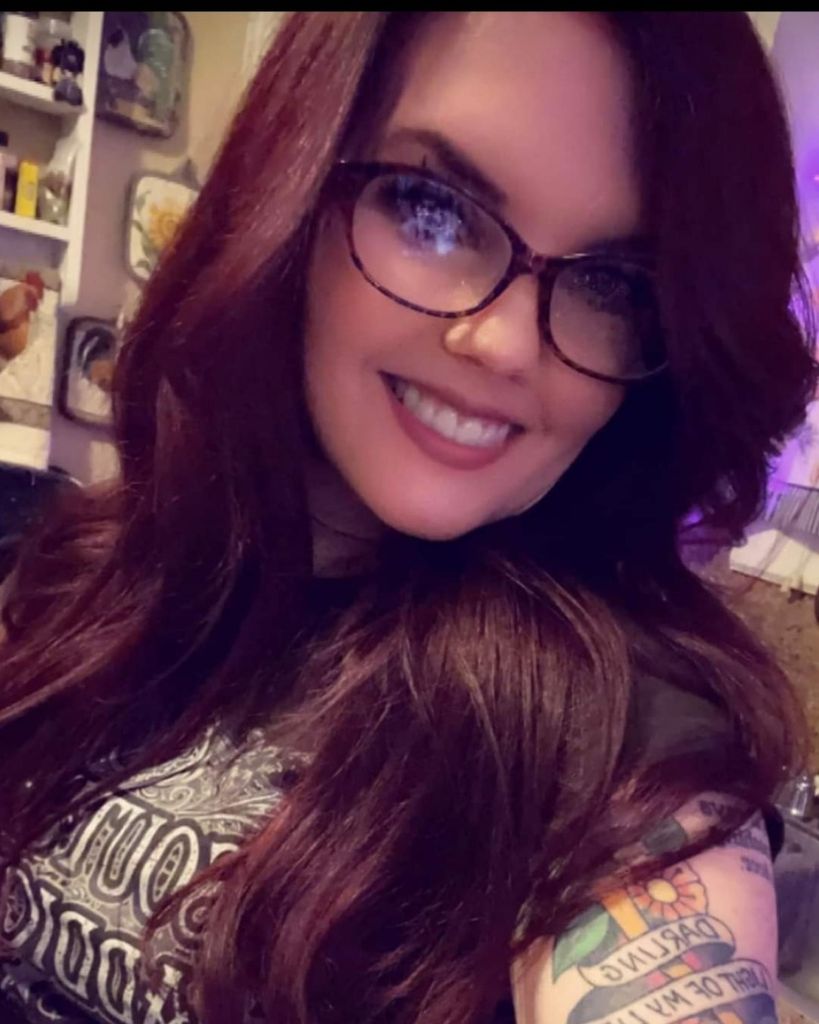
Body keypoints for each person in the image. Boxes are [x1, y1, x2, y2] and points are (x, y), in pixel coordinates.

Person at [0, 11, 815, 1024]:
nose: (506, 343)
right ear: (295, 192)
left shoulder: (620, 744)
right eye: (434, 209)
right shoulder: (93, 572)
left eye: (613, 284)